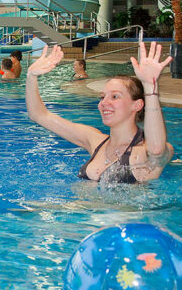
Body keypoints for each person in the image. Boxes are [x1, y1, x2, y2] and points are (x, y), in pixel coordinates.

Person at [26, 42, 173, 184]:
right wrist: (31, 77)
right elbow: (39, 115)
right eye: (102, 97)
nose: (104, 103)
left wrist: (150, 86)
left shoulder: (143, 153)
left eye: (115, 96)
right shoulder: (95, 141)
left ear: (137, 105)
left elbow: (157, 150)